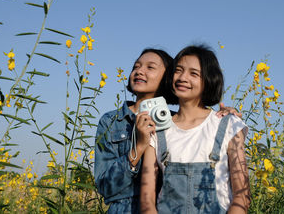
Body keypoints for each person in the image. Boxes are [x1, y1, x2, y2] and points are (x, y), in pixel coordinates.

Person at [95, 48, 242, 214]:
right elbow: (104, 187)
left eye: (150, 67)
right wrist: (138, 147)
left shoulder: (173, 123)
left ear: (167, 77)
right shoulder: (112, 121)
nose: (139, 71)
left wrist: (227, 117)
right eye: (136, 67)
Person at [140, 45, 251, 213]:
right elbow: (146, 201)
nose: (183, 77)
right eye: (178, 70)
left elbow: (242, 196)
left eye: (194, 73)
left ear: (208, 80)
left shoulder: (228, 124)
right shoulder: (157, 129)